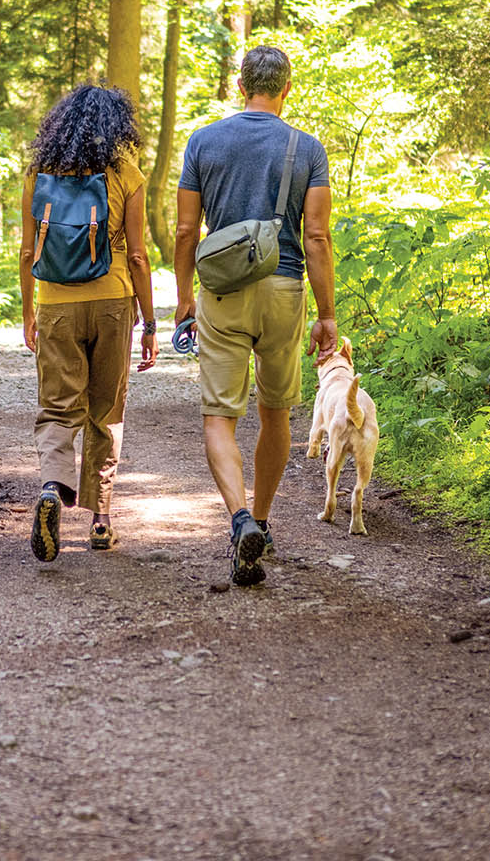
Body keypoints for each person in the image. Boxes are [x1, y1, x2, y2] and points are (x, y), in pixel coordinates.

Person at [175, 45, 336, 587]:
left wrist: (182, 297)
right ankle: (262, 522)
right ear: (287, 88)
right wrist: (327, 315)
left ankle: (238, 518)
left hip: (222, 292)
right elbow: (316, 236)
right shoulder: (307, 148)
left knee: (219, 415)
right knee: (275, 412)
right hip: (285, 287)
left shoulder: (203, 142)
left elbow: (183, 231)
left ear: (239, 85)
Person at [19, 84, 158, 561]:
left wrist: (28, 311)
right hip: (114, 300)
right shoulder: (125, 171)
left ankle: (52, 492)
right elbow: (138, 256)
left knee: (58, 409)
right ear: (116, 125)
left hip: (56, 301)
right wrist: (151, 323)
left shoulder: (40, 171)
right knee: (105, 411)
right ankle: (101, 520)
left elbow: (26, 251)